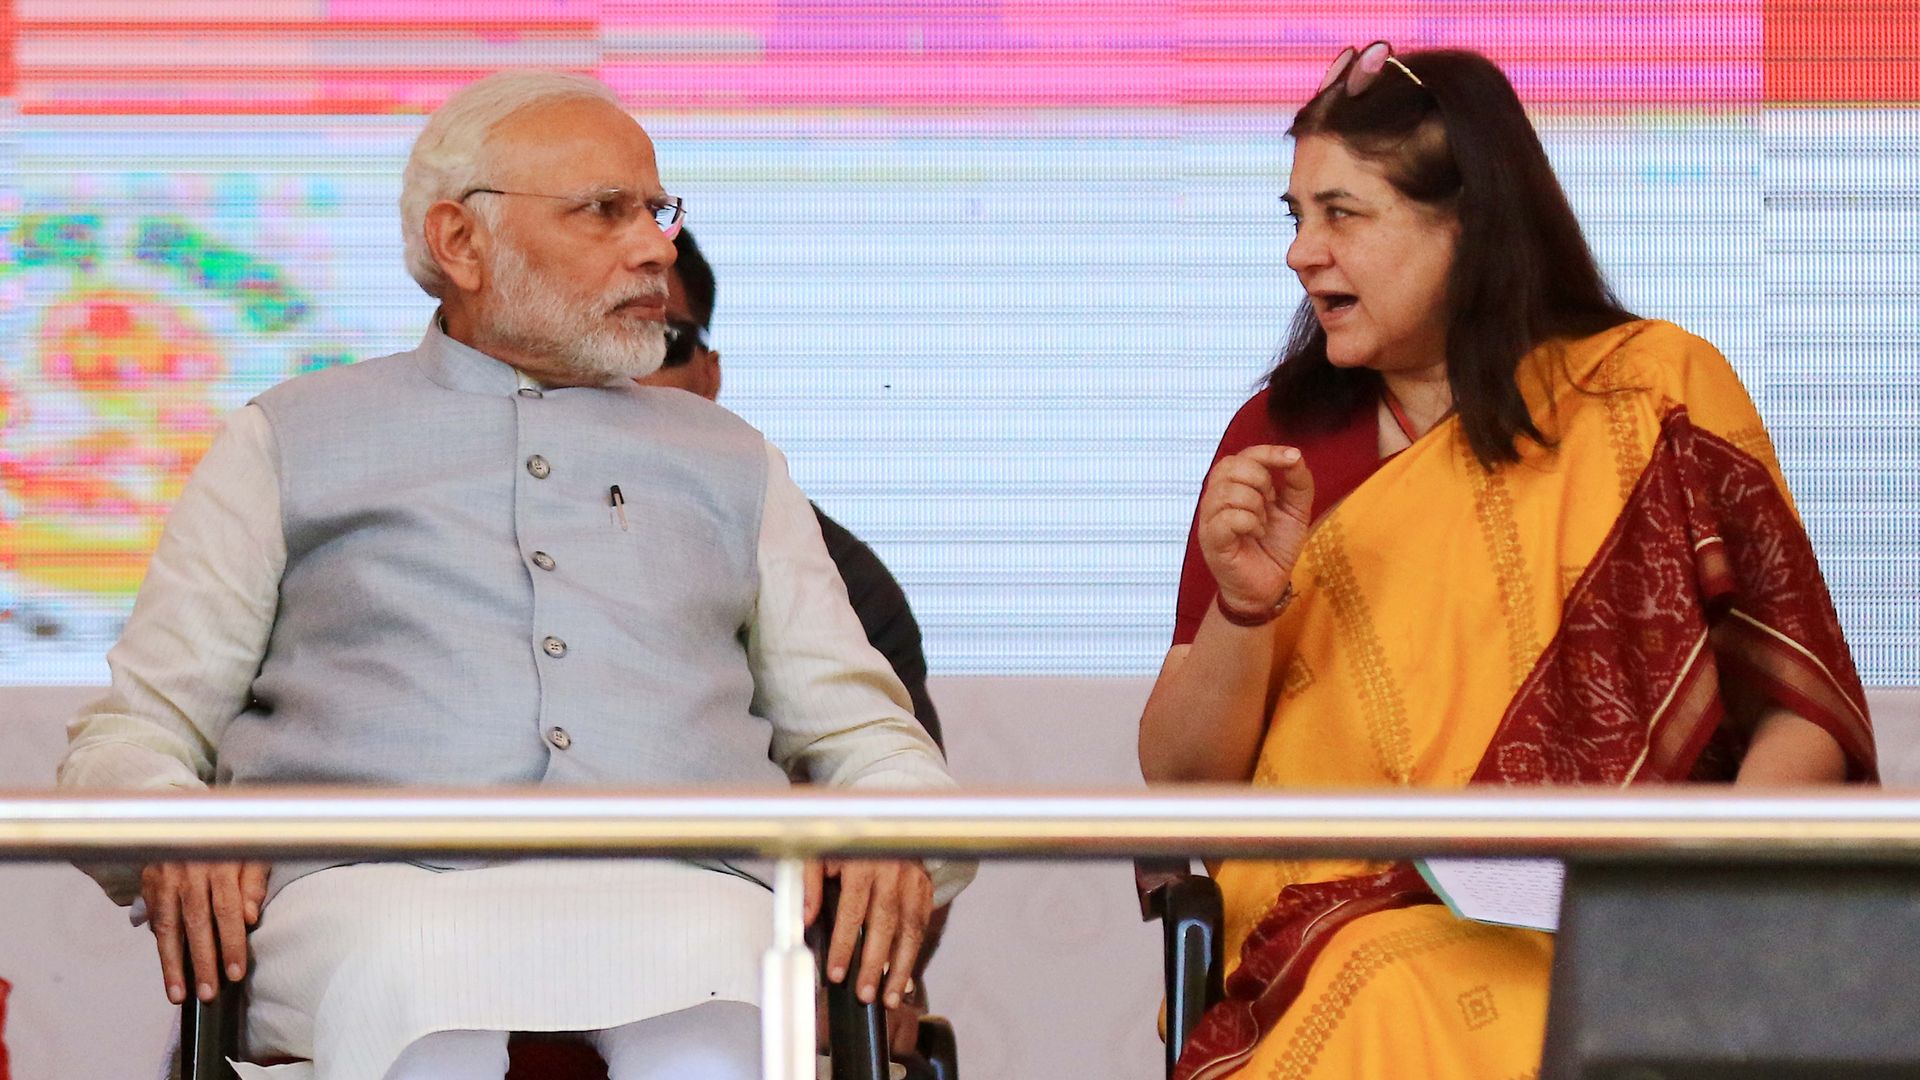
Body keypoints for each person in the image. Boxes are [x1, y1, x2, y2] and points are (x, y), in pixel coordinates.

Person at [57, 70, 971, 1080]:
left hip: (692, 889)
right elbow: (134, 736)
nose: (657, 250)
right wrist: (175, 832)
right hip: (369, 892)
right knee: (411, 984)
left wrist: (899, 837)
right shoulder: (285, 439)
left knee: (722, 1005)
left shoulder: (734, 458)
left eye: (659, 212)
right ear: (460, 244)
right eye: (606, 212)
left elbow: (865, 736)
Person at [1137, 43, 1877, 1080]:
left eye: (1342, 213)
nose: (1302, 253)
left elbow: (1798, 706)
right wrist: (1245, 612)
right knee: (1392, 984)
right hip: (1345, 928)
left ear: (1469, 224)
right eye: (1293, 215)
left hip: (1646, 916)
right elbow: (1180, 783)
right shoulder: (1278, 440)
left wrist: (1710, 892)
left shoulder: (1653, 396)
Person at [640, 228, 947, 1068]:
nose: (630, 373)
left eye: (661, 339)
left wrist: (861, 971)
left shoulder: (839, 576)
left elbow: (892, 804)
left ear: (710, 372)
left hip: (741, 959)